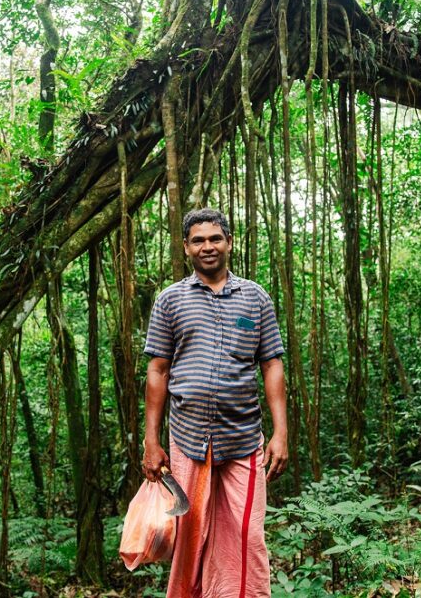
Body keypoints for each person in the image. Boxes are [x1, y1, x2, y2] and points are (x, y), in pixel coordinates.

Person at [141, 207, 288, 598]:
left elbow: (272, 364)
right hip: (188, 439)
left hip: (243, 438)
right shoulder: (170, 301)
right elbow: (157, 371)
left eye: (215, 238)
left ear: (229, 242)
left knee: (246, 536)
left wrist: (281, 432)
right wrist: (150, 441)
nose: (208, 247)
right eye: (199, 240)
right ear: (186, 247)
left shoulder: (255, 298)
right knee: (189, 538)